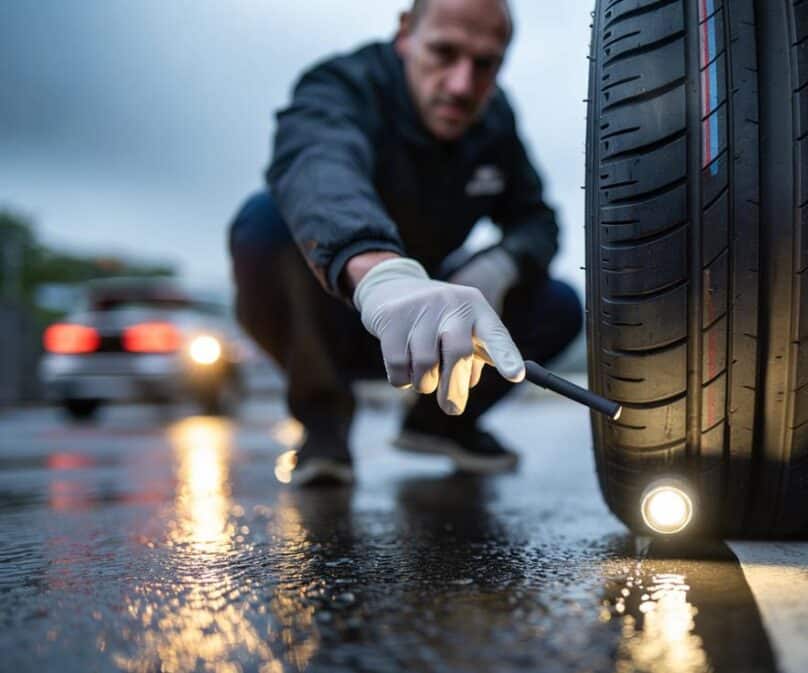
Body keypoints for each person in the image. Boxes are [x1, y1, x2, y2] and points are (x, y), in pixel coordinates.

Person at [228, 0, 582, 485]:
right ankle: (323, 423)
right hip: (335, 313)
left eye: (485, 64)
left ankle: (441, 422)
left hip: (436, 332)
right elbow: (319, 168)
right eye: (444, 52)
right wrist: (379, 272)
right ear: (405, 34)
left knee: (560, 303)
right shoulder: (341, 87)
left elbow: (537, 219)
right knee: (264, 220)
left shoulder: (494, 120)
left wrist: (499, 266)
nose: (462, 86)